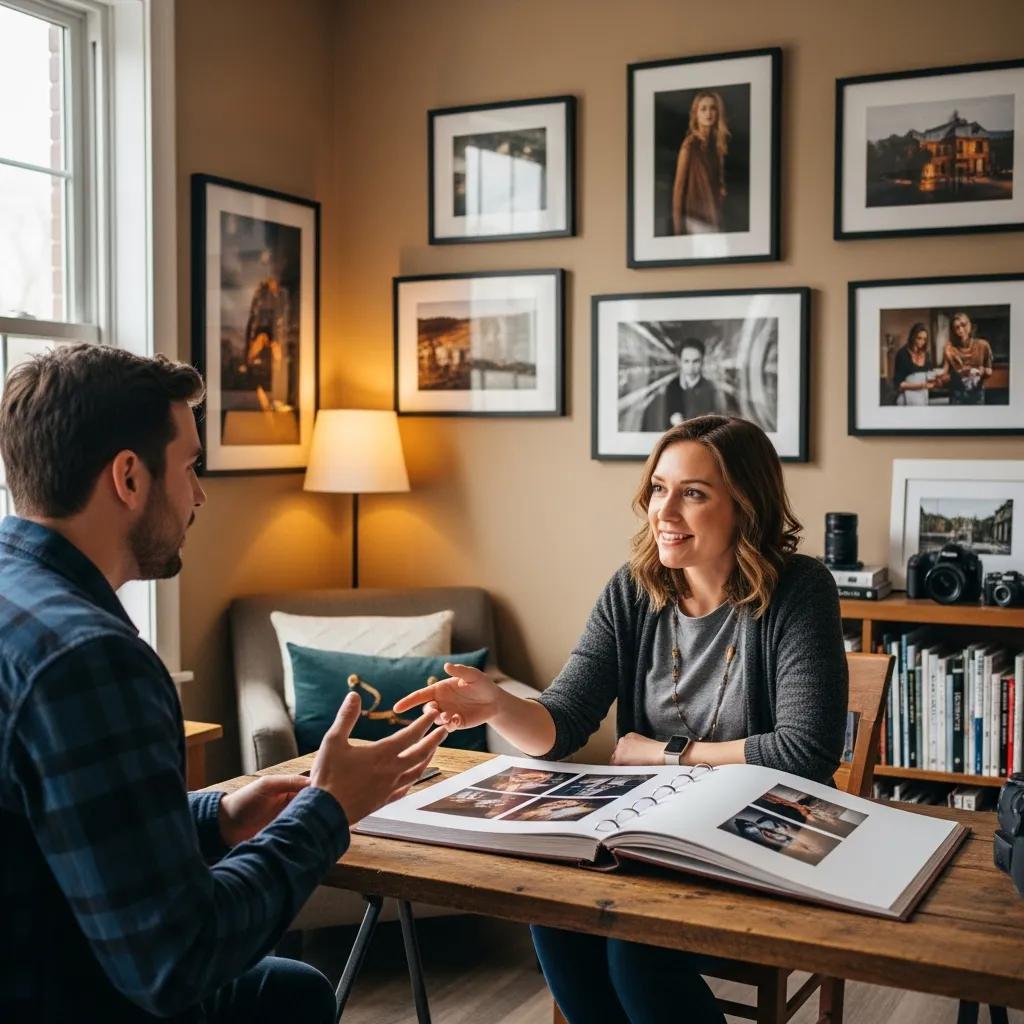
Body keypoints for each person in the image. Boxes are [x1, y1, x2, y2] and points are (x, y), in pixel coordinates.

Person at [0, 345, 447, 1023]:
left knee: (290, 989)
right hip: (59, 989)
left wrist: (218, 817)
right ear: (128, 478)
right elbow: (179, 958)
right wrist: (325, 811)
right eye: (190, 467)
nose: (200, 494)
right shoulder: (91, 659)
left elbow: (57, 821)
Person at [394, 414, 847, 1024]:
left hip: (766, 823)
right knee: (557, 913)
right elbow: (561, 723)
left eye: (693, 493)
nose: (665, 510)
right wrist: (500, 706)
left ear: (744, 505)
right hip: (659, 824)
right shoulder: (634, 591)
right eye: (659, 488)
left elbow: (806, 751)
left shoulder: (799, 589)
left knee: (636, 950)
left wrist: (666, 755)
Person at [671, 90, 730, 235]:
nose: (708, 113)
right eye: (703, 109)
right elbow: (678, 190)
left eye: (712, 108)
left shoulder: (716, 146)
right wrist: (678, 231)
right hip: (695, 223)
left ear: (718, 113)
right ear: (695, 114)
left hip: (713, 219)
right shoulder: (689, 146)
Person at [640, 338, 723, 431]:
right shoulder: (672, 387)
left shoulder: (711, 388)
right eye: (686, 361)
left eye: (695, 361)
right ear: (680, 362)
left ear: (702, 361)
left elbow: (716, 424)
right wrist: (672, 421)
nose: (691, 366)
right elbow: (665, 423)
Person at [940, 311, 993, 405]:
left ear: (970, 325)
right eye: (957, 328)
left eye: (963, 325)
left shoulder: (983, 345)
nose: (961, 330)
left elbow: (989, 371)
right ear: (953, 330)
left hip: (977, 394)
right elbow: (944, 375)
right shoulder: (949, 348)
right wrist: (957, 375)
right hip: (956, 394)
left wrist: (981, 371)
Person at [891, 322, 936, 406]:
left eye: (925, 339)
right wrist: (921, 385)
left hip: (923, 398)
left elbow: (931, 375)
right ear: (912, 337)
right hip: (906, 399)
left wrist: (936, 380)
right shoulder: (902, 354)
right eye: (919, 338)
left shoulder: (927, 355)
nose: (922, 342)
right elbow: (899, 384)